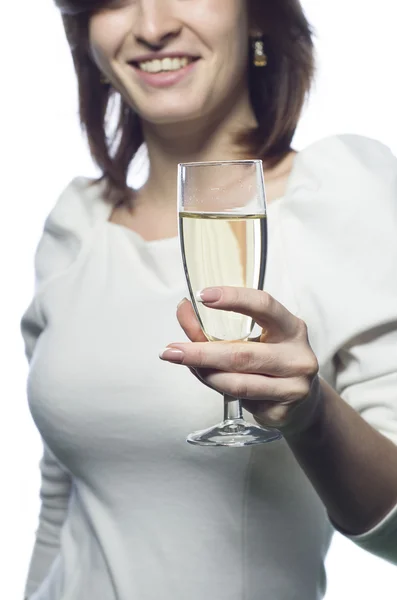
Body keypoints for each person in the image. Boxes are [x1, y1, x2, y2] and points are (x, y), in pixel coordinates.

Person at [21, 0, 397, 598]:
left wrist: (310, 416)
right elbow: (59, 499)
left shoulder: (344, 195)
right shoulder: (78, 226)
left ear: (258, 16)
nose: (152, 27)